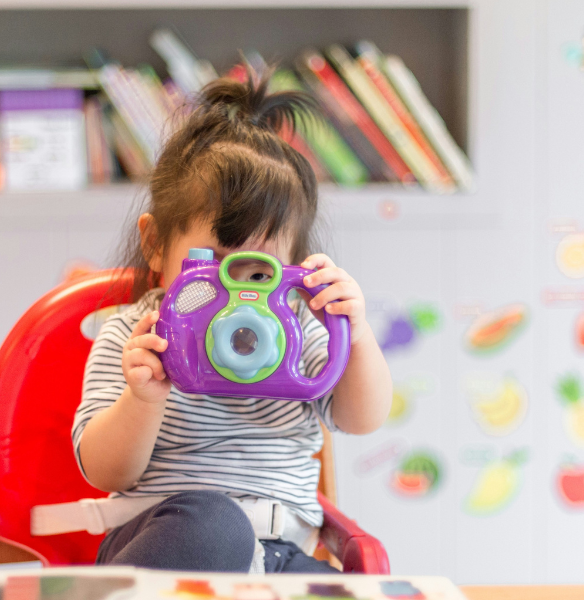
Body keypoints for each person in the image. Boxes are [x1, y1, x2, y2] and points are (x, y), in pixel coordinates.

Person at [72, 67, 393, 573]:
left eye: (256, 270)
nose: (234, 293)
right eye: (213, 264)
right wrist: (142, 398)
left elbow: (362, 418)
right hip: (172, 543)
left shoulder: (297, 331)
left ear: (291, 267)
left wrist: (354, 335)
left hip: (281, 554)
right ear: (156, 244)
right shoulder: (135, 337)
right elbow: (103, 469)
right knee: (214, 526)